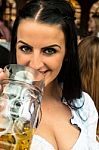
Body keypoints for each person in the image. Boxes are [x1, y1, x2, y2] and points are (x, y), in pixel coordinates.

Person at [0, 0, 99, 149]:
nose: (35, 64)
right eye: (26, 48)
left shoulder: (83, 104)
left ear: (67, 53)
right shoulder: (5, 104)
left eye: (49, 50)